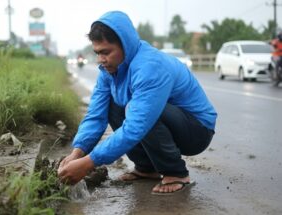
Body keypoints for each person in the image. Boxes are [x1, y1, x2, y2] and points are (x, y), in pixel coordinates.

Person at [58, 11, 217, 194]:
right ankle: (147, 168)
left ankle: (176, 172)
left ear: (125, 45)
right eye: (97, 53)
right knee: (113, 105)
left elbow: (137, 126)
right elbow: (95, 115)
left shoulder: (150, 67)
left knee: (136, 109)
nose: (101, 60)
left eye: (106, 52)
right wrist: (78, 153)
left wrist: (89, 163)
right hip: (165, 120)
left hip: (197, 130)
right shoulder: (108, 71)